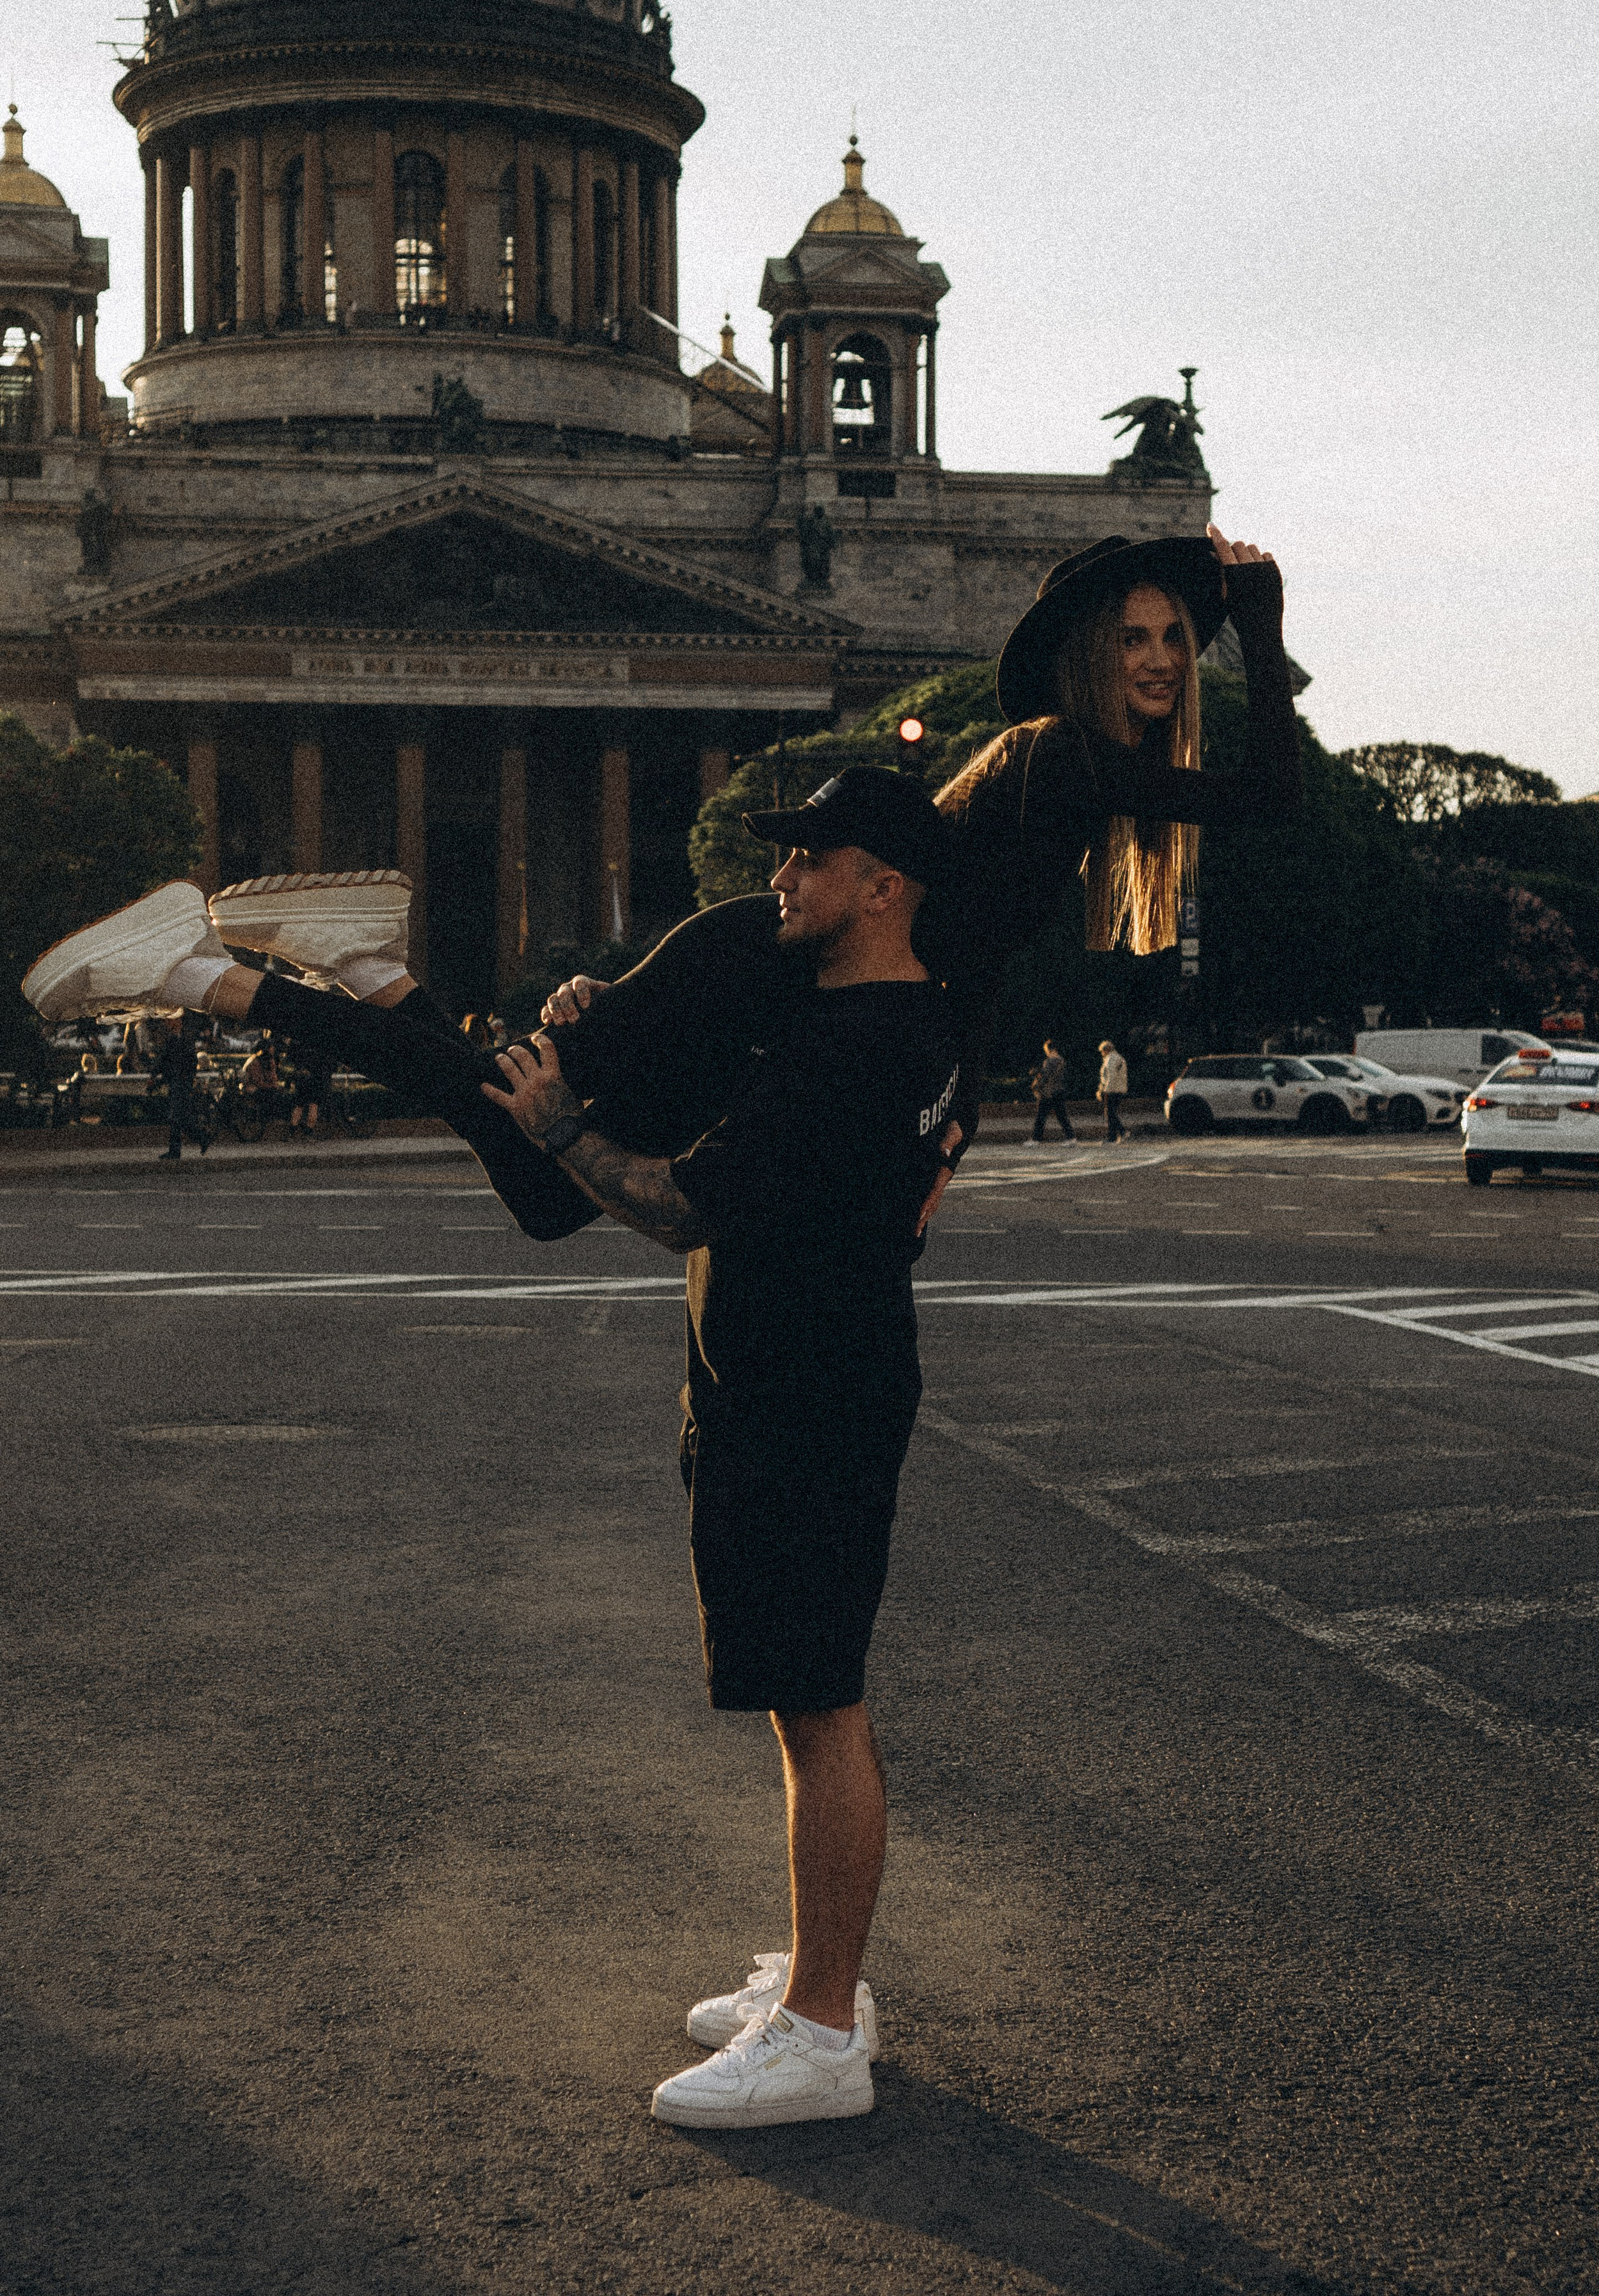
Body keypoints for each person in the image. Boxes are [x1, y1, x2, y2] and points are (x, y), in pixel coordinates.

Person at [22, 770, 962, 2132]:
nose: (781, 878)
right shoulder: (881, 1018)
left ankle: (822, 2032)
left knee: (818, 1704)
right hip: (792, 1375)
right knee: (797, 1698)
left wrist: (566, 1122)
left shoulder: (854, 1050)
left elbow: (678, 1209)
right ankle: (828, 1979)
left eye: (811, 860)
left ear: (882, 888)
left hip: (805, 1398)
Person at [152, 1013, 211, 1161]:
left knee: (176, 1117)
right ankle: (200, 1138)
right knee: (180, 1118)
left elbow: (190, 1062)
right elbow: (164, 1059)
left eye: (169, 1020)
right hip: (176, 1082)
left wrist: (185, 1078)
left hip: (182, 1083)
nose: (166, 1023)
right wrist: (154, 1075)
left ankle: (178, 1149)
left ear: (177, 1021)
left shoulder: (185, 1038)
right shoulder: (173, 1038)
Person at [1026, 1037, 1076, 1145]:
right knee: (1062, 1116)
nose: (1046, 1052)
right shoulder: (1061, 1060)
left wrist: (1037, 1083)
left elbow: (1045, 1076)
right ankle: (1071, 1137)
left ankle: (1036, 1139)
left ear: (1051, 1049)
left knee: (1041, 1116)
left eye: (1046, 1049)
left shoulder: (1049, 1061)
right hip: (1059, 1090)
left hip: (1048, 1092)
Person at [1097, 1038, 1127, 1142]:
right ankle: (1114, 1136)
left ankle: (1120, 1133)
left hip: (1112, 1090)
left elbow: (1110, 1077)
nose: (1102, 1054)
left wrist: (1105, 1090)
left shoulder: (1111, 1060)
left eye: (1102, 1051)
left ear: (1107, 1050)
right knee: (1112, 1113)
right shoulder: (1119, 1058)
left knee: (1110, 1113)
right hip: (1119, 1089)